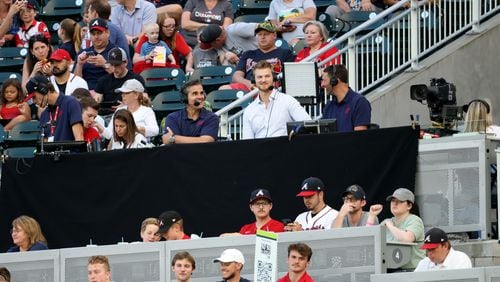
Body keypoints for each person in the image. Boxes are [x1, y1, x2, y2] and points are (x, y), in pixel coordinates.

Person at [242, 60, 310, 139]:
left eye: (267, 76)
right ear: (254, 80)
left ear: (274, 78)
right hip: (259, 150)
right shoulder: (249, 110)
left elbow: (307, 123)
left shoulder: (288, 100)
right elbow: (247, 141)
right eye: (259, 77)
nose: (263, 80)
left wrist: (295, 131)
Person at [221, 22, 295, 92]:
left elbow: (290, 77)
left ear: (274, 35)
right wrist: (249, 84)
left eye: (266, 34)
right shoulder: (248, 54)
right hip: (250, 89)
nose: (262, 37)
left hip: (273, 89)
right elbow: (236, 76)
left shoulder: (285, 53)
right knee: (223, 89)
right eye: (259, 34)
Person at [26, 75, 84, 141]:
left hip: (71, 151)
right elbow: (44, 144)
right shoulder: (44, 115)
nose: (34, 101)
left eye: (34, 97)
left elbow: (79, 138)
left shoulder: (70, 103)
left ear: (43, 89)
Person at [380, 187, 426, 270]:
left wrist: (391, 226)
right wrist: (372, 216)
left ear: (409, 206)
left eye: (400, 201)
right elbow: (370, 240)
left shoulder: (415, 220)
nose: (395, 204)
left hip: (413, 270)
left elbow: (407, 239)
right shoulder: (386, 222)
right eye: (393, 200)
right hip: (389, 269)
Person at [162, 79, 219, 144]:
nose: (200, 97)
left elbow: (205, 141)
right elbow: (168, 143)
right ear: (185, 98)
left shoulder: (212, 117)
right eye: (195, 93)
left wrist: (174, 138)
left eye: (201, 93)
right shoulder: (173, 118)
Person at [320, 64, 371, 132]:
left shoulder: (359, 102)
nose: (322, 85)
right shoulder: (328, 106)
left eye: (324, 80)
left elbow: (360, 138)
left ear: (334, 81)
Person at [74, 18, 116, 91]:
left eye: (99, 33)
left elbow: (123, 76)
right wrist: (79, 65)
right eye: (93, 34)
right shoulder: (83, 53)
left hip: (109, 92)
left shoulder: (116, 51)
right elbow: (75, 82)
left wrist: (105, 64)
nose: (96, 37)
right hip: (86, 94)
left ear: (107, 33)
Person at [87, 0, 131, 66]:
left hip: (118, 69)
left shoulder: (109, 28)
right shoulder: (110, 26)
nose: (88, 15)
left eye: (89, 12)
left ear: (95, 14)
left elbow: (107, 54)